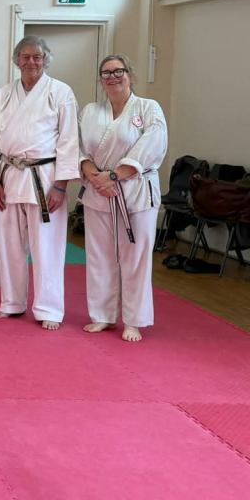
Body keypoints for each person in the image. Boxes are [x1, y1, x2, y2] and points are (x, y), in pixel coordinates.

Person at [0, 35, 79, 330]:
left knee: (46, 246)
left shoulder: (60, 92)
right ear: (17, 61)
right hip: (9, 175)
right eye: (25, 56)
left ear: (45, 59)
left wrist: (61, 185)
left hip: (44, 178)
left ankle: (49, 308)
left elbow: (69, 141)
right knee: (10, 244)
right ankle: (12, 302)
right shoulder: (4, 94)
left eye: (37, 56)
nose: (31, 61)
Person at [79, 55, 167, 343]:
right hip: (98, 191)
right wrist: (95, 175)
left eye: (119, 71)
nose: (113, 77)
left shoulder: (148, 108)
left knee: (135, 258)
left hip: (135, 191)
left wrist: (115, 175)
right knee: (99, 256)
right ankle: (102, 315)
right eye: (106, 73)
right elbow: (78, 148)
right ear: (100, 79)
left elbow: (152, 145)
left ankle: (134, 320)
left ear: (131, 75)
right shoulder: (90, 111)